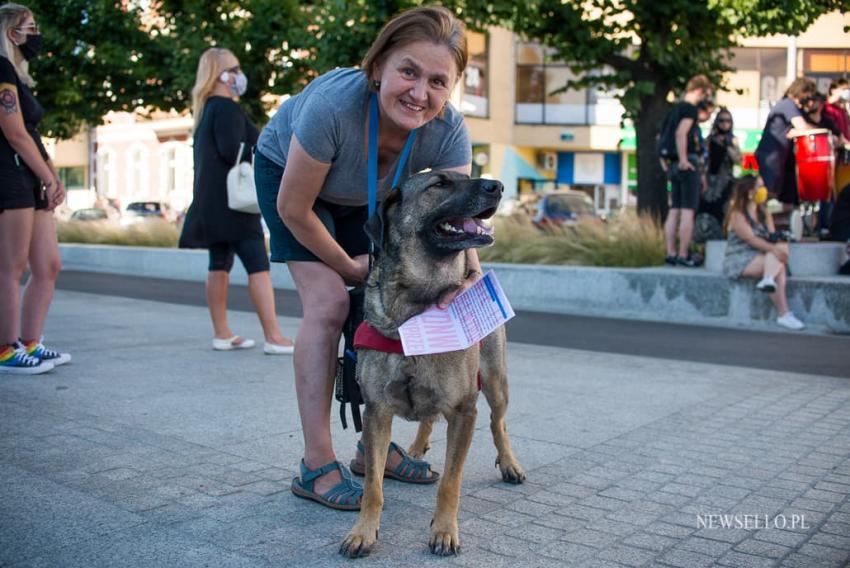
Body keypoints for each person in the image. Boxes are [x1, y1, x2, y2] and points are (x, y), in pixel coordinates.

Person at [254, 5, 474, 510]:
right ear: (378, 67)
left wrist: (470, 276)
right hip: (293, 186)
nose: (421, 93)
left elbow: (455, 221)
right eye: (408, 71)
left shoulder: (448, 130)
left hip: (370, 196)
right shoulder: (334, 107)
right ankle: (314, 464)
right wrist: (352, 269)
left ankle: (370, 449)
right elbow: (294, 208)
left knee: (405, 303)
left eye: (438, 81)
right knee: (331, 302)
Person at [178, 47, 294, 355]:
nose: (239, 76)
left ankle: (222, 333)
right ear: (221, 75)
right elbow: (234, 150)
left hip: (210, 202)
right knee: (258, 265)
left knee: (219, 264)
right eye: (235, 69)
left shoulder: (206, 110)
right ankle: (274, 336)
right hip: (235, 205)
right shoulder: (227, 108)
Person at [0, 3, 70, 374]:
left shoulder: (15, 74)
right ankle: (5, 349)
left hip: (31, 174)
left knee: (48, 264)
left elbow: (31, 133)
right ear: (11, 31)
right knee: (10, 267)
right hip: (11, 175)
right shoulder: (0, 69)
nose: (36, 33)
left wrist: (51, 175)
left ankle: (29, 341)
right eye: (31, 26)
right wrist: (47, 176)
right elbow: (13, 132)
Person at [723, 175, 805, 330]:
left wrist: (780, 244)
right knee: (778, 264)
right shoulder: (737, 214)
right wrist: (775, 250)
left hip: (762, 254)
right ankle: (783, 313)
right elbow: (751, 239)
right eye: (759, 187)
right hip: (740, 257)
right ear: (749, 192)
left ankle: (769, 280)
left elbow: (771, 236)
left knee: (780, 248)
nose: (763, 190)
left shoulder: (763, 212)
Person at [662, 75, 714, 267]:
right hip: (686, 164)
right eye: (705, 94)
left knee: (674, 211)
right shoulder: (689, 109)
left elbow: (664, 138)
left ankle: (671, 253)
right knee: (687, 212)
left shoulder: (674, 109)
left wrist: (670, 164)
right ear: (699, 91)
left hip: (673, 165)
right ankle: (683, 254)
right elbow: (680, 133)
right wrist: (684, 160)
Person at [754, 77, 818, 209]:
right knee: (768, 191)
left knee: (777, 193)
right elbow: (802, 127)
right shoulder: (788, 105)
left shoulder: (790, 106)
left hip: (779, 156)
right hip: (771, 155)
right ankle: (760, 221)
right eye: (808, 94)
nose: (809, 98)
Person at [694, 107, 741, 245]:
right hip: (709, 182)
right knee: (704, 209)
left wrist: (727, 146)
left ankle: (723, 237)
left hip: (725, 182)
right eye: (722, 120)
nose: (725, 124)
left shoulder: (732, 140)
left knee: (723, 210)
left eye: (728, 121)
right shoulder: (709, 140)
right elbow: (703, 160)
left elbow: (739, 160)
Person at [823, 78, 850, 143]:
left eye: (848, 89)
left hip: (846, 145)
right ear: (833, 90)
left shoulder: (842, 109)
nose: (847, 92)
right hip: (835, 145)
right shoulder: (826, 107)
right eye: (843, 89)